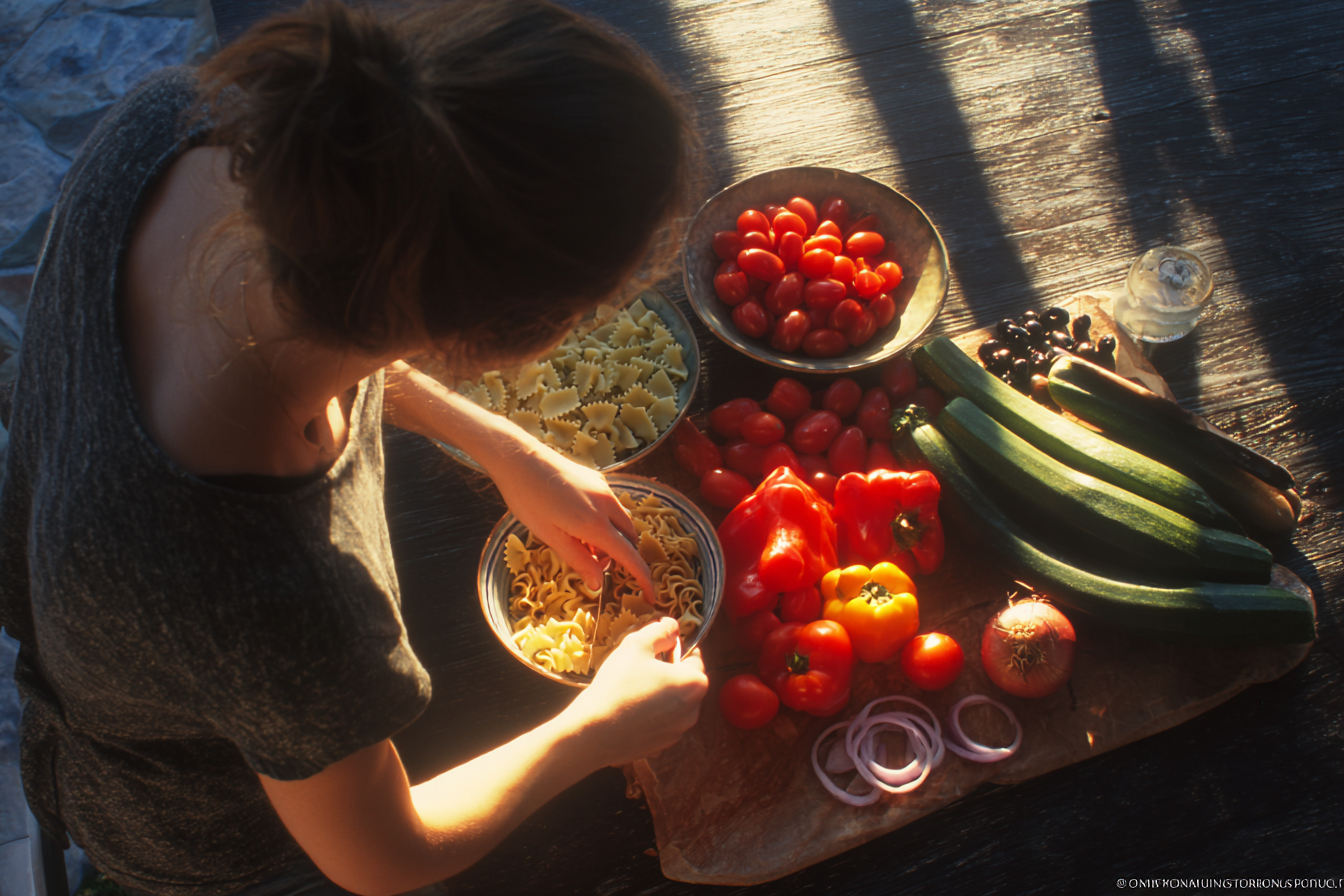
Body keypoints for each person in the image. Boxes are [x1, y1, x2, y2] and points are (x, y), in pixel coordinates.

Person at [0, 0, 709, 893]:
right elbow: (386, 856)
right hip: (213, 833)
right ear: (496, 339)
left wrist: (502, 445)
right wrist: (599, 728)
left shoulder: (178, 121)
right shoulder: (285, 597)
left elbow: (329, 326)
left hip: (144, 644)